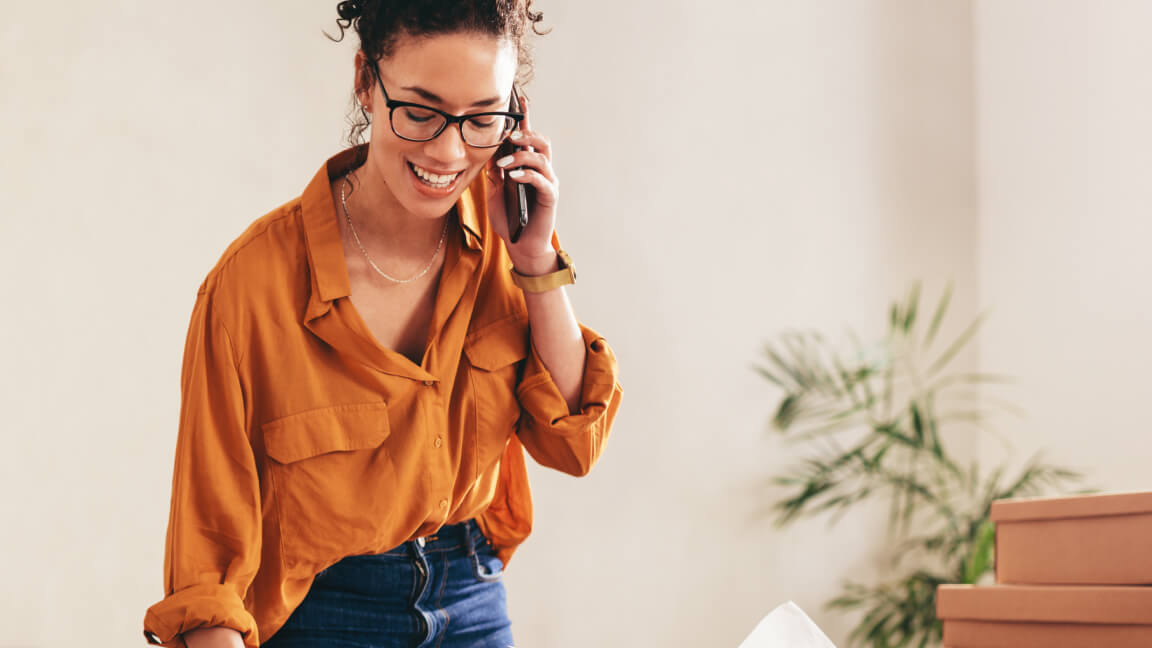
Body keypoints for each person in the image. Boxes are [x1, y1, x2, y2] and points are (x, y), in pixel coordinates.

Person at [141, 1, 623, 646]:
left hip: (469, 589)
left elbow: (572, 441)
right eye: (420, 111)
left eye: (483, 117)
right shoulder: (252, 286)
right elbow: (207, 571)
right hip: (319, 609)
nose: (450, 151)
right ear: (366, 80)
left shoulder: (511, 241)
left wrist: (535, 262)